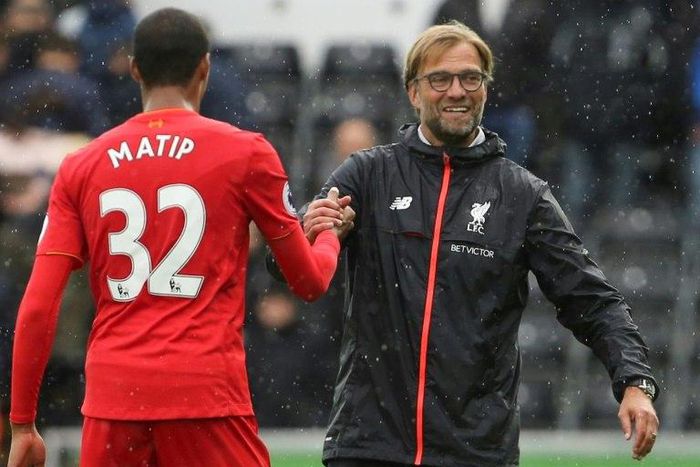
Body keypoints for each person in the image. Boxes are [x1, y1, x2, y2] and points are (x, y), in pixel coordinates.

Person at [293, 21, 660, 466]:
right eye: (440, 79)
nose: (457, 91)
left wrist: (635, 383)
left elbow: (593, 300)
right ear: (413, 91)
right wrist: (312, 231)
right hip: (368, 447)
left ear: (486, 88)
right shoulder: (367, 175)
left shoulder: (523, 195)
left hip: (475, 453)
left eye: (471, 78)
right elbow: (292, 265)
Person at [8, 8, 352, 467]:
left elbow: (37, 306)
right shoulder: (245, 152)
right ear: (205, 68)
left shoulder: (81, 165)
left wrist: (22, 422)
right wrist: (329, 236)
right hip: (205, 397)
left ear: (134, 69)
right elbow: (308, 283)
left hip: (113, 402)